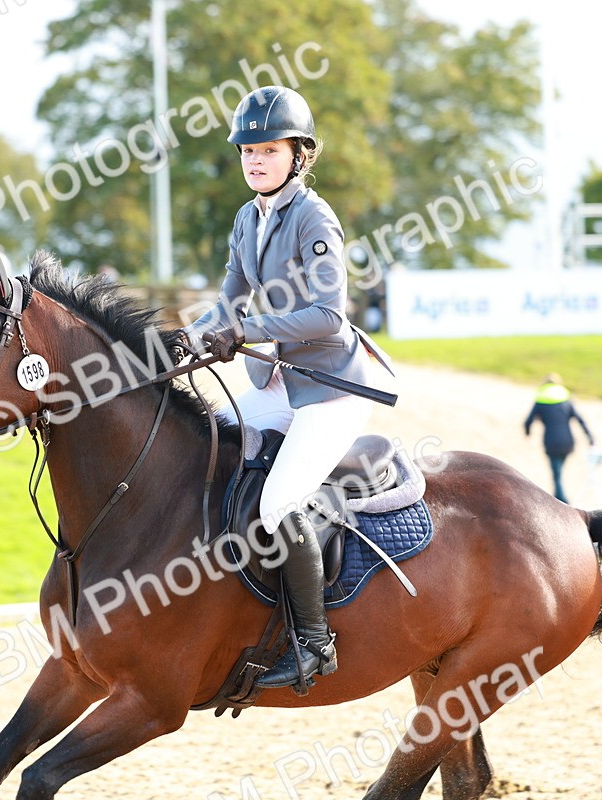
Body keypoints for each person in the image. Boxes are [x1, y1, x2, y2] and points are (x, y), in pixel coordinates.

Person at [177, 86, 395, 690]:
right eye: (248, 150)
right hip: (276, 379)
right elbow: (226, 302)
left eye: (268, 149)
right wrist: (186, 338)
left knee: (278, 504)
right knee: (213, 449)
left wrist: (243, 329)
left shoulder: (313, 217)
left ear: (299, 155)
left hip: (329, 388)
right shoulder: (248, 219)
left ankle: (315, 643)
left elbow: (328, 315)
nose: (254, 160)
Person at [524, 373, 595, 504]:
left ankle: (563, 502)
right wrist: (590, 438)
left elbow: (528, 421)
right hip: (568, 442)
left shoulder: (541, 399)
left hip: (551, 442)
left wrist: (527, 432)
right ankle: (561, 499)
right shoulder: (566, 398)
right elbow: (580, 419)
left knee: (556, 475)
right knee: (559, 472)